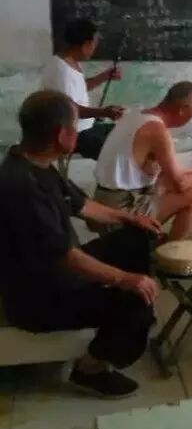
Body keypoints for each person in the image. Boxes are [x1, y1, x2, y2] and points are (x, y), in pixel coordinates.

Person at [0, 91, 161, 398]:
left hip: (56, 272)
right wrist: (125, 279)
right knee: (135, 301)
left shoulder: (36, 163)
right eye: (75, 128)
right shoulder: (22, 187)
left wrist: (130, 218)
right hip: (38, 299)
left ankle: (126, 323)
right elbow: (67, 258)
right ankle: (90, 369)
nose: (78, 133)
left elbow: (83, 205)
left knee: (134, 237)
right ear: (62, 135)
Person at [94, 81, 192, 241]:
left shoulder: (136, 115)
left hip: (101, 201)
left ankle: (151, 243)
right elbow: (181, 184)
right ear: (182, 110)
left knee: (166, 182)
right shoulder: (157, 131)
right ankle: (170, 253)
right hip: (117, 212)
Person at [41, 18, 125, 160]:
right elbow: (69, 110)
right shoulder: (61, 69)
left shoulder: (70, 63)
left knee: (126, 133)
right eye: (94, 44)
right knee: (118, 150)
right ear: (86, 44)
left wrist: (104, 76)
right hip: (73, 134)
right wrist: (104, 112)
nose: (94, 49)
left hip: (85, 128)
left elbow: (78, 88)